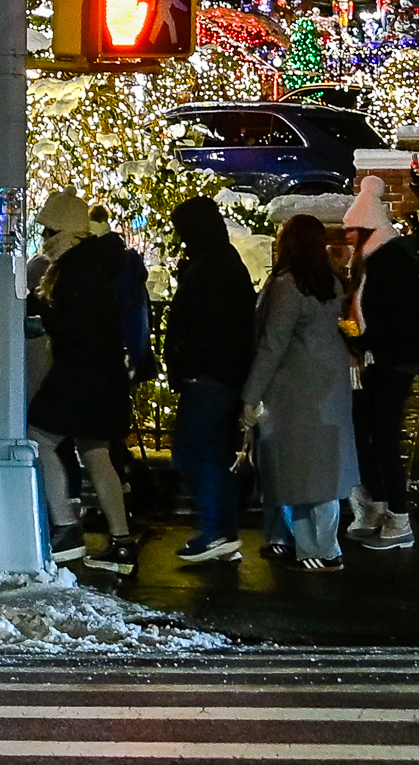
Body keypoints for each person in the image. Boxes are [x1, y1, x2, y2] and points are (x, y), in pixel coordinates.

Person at [26, 189, 150, 573]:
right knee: (97, 454)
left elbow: (76, 325)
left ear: (62, 230)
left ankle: (65, 528)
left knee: (39, 436)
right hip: (105, 374)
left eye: (48, 230)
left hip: (82, 372)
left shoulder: (75, 268)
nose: (44, 238)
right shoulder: (94, 262)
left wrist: (43, 312)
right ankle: (122, 542)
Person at [244, 213, 362, 572]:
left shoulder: (287, 285)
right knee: (322, 471)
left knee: (294, 469)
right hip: (328, 384)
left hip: (294, 388)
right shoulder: (329, 282)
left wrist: (251, 395)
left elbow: (272, 344)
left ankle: (314, 549)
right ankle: (317, 545)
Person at [162, 195, 259, 565]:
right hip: (223, 373)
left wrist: (187, 364)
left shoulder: (211, 267)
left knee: (191, 449)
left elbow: (207, 325)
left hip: (210, 375)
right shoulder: (223, 262)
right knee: (214, 452)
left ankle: (217, 529)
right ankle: (223, 530)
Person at [343, 176, 419, 550]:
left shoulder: (388, 265)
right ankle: (379, 503)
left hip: (393, 358)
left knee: (383, 435)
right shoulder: (377, 263)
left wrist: (360, 340)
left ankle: (397, 515)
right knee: (367, 431)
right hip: (383, 357)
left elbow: (394, 319)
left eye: (352, 232)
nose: (347, 240)